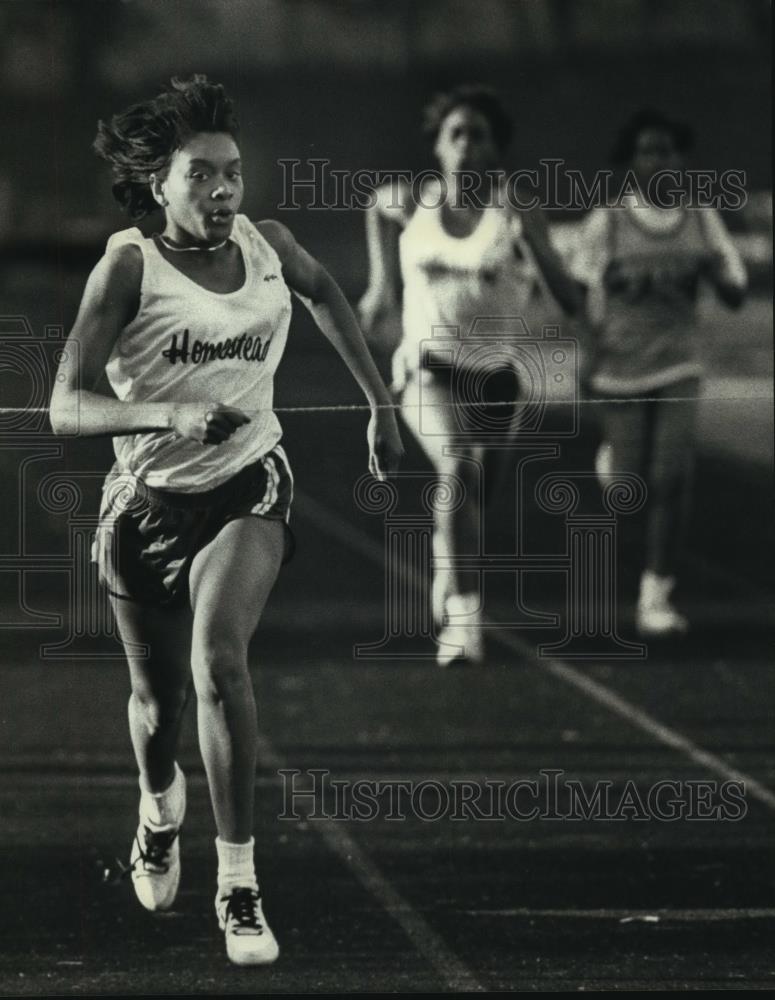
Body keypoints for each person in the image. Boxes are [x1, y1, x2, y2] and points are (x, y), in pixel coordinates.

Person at [49, 75, 403, 966]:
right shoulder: (127, 266)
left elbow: (326, 296)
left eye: (231, 174)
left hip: (249, 485)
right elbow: (65, 406)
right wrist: (165, 417)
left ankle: (238, 883)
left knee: (218, 661)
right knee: (156, 705)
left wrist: (379, 404)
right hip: (146, 505)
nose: (221, 192)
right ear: (158, 187)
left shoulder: (270, 244)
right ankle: (158, 809)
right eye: (200, 176)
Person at [359, 84, 581, 667]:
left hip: (496, 379)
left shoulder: (516, 211)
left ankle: (447, 558)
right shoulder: (412, 201)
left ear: (495, 150)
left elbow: (568, 295)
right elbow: (375, 207)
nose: (465, 146)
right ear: (437, 145)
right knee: (457, 468)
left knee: (476, 499)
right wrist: (382, 285)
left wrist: (548, 260)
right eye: (455, 133)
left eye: (478, 135)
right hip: (426, 369)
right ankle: (464, 620)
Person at [570, 109, 747, 636]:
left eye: (668, 151)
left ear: (681, 158)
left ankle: (657, 593)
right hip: (621, 365)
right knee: (630, 488)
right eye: (648, 151)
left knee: (672, 478)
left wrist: (716, 271)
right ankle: (613, 464)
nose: (659, 161)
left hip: (679, 363)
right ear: (633, 160)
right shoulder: (608, 223)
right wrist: (586, 351)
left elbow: (735, 293)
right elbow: (578, 293)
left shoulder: (700, 218)